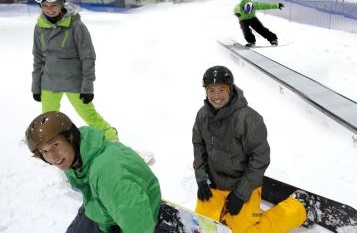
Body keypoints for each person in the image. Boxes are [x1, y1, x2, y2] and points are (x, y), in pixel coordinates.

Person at [192, 65, 318, 233]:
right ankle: (224, 213)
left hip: (243, 185)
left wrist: (240, 194)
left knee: (245, 231)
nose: (216, 96)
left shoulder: (248, 119)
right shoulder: (202, 115)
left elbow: (260, 158)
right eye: (211, 90)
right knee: (202, 225)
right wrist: (202, 180)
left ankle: (299, 206)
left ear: (230, 90)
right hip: (215, 184)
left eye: (221, 90)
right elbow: (198, 145)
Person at [25, 111, 162, 233]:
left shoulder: (108, 172)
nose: (53, 157)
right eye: (44, 151)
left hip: (128, 220)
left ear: (71, 138)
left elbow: (139, 225)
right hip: (100, 210)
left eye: (55, 145)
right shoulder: (77, 155)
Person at [31, 0, 118, 141]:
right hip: (49, 83)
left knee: (89, 116)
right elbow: (38, 58)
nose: (49, 10)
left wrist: (87, 87)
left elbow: (88, 57)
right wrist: (36, 86)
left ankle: (111, 138)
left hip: (74, 83)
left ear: (61, 4)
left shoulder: (76, 26)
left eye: (53, 5)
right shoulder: (39, 27)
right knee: (48, 118)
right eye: (44, 6)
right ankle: (52, 143)